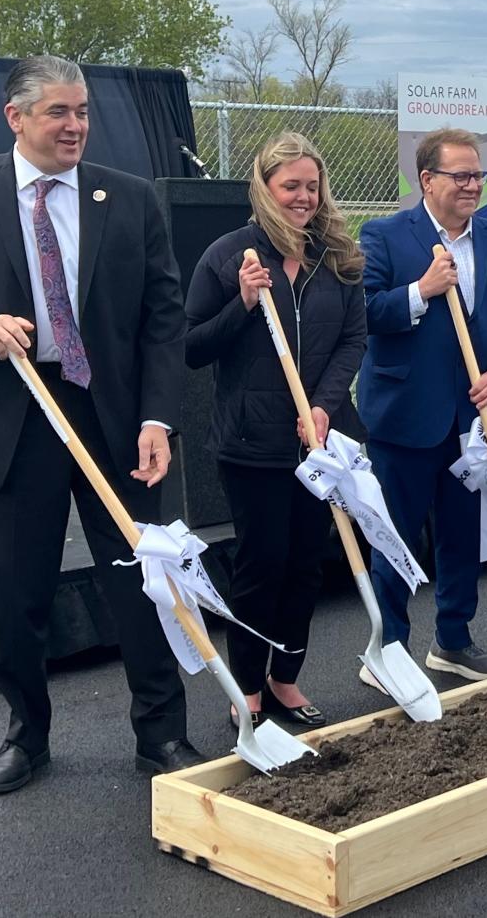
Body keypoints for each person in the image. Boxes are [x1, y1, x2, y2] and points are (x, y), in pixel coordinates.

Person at [0, 54, 200, 793]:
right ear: (15, 117)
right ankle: (27, 735)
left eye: (83, 111)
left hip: (113, 417)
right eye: (59, 112)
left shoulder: (126, 198)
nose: (76, 125)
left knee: (140, 580)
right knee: (18, 590)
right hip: (17, 413)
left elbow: (163, 318)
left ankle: (163, 735)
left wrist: (159, 417)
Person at [184, 133, 366, 729]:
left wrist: (323, 405)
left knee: (307, 564)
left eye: (312, 186)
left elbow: (351, 340)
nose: (304, 198)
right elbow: (191, 347)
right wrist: (241, 302)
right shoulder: (229, 255)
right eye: (291, 186)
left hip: (315, 441)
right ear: (263, 188)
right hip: (251, 444)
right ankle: (249, 690)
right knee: (262, 565)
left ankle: (285, 679)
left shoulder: (334, 256)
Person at [357, 127, 487, 682]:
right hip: (406, 415)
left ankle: (453, 639)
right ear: (426, 179)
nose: (472, 185)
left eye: (478, 175)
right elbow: (363, 312)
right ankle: (386, 649)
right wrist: (421, 291)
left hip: (476, 418)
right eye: (460, 175)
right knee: (396, 535)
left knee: (464, 534)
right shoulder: (386, 236)